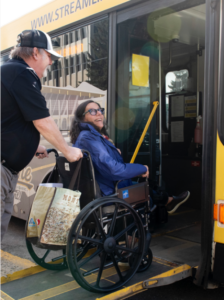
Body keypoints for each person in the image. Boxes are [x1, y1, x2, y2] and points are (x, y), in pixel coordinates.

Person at [1, 29, 83, 240]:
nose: (51, 62)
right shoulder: (22, 74)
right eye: (50, 56)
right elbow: (42, 120)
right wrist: (68, 150)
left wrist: (31, 146)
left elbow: (9, 121)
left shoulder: (9, 72)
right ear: (36, 53)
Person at [70, 100, 189, 213]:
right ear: (82, 118)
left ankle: (168, 201)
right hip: (108, 192)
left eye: (100, 110)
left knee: (145, 185)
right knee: (143, 190)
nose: (99, 113)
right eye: (92, 111)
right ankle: (138, 231)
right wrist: (142, 168)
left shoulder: (89, 136)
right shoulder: (89, 137)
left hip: (106, 186)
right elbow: (113, 169)